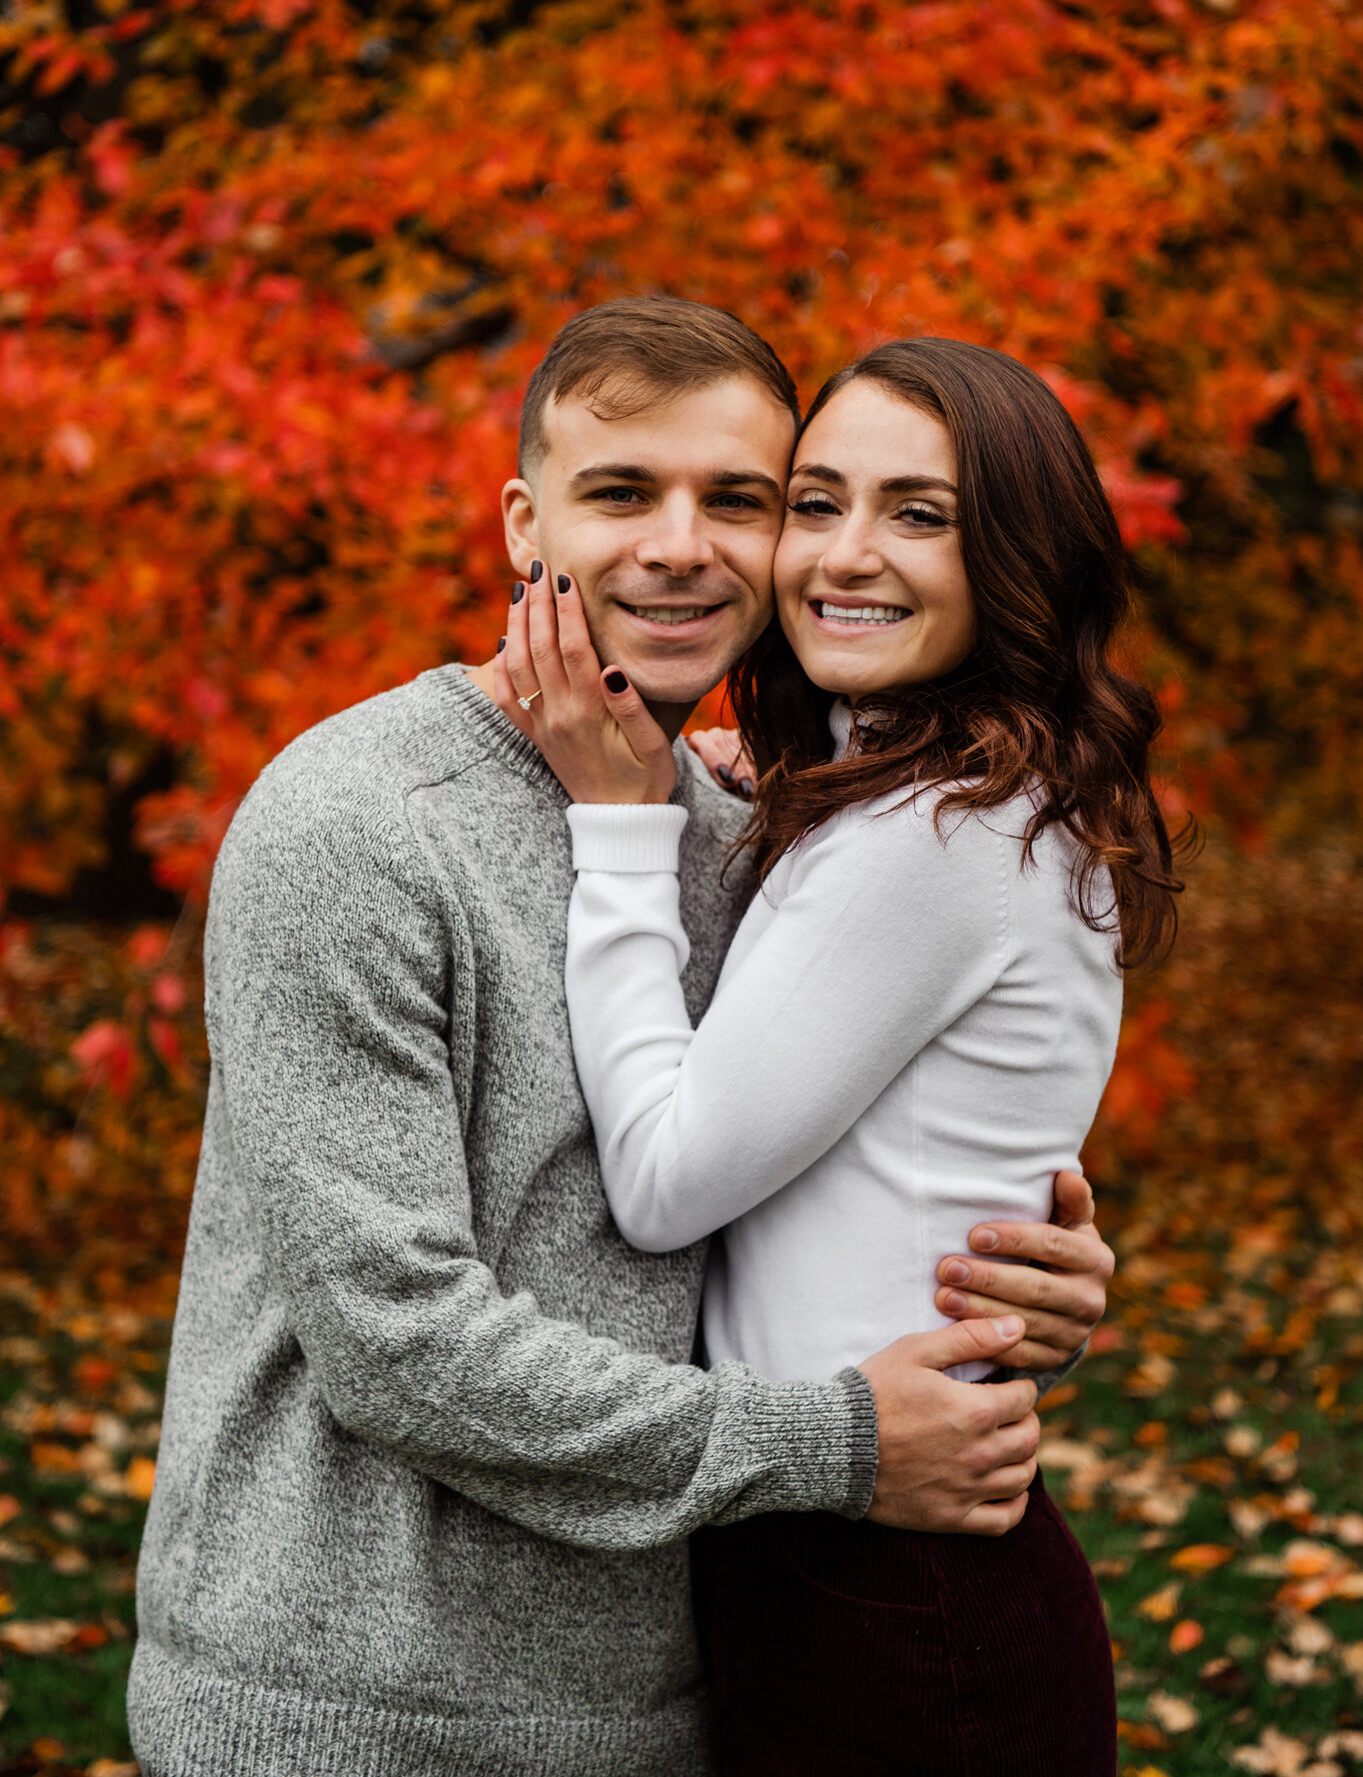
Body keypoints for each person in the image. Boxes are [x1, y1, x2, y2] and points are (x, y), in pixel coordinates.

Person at [129, 300, 1115, 1777]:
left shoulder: (743, 839)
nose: (681, 546)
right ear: (527, 524)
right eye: (620, 492)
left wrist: (1017, 1279)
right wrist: (841, 1442)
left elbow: (821, 1184)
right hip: (350, 1715)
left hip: (670, 1699)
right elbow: (397, 1342)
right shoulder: (348, 824)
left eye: (739, 499)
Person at [493, 334, 1181, 1776]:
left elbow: (669, 1186)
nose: (843, 555)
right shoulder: (946, 795)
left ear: (1014, 554)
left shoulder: (942, 837)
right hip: (852, 1538)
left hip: (895, 1592)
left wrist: (624, 828)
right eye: (815, 503)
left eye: (919, 514)